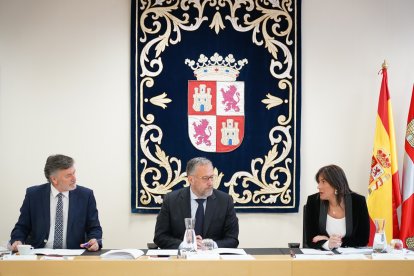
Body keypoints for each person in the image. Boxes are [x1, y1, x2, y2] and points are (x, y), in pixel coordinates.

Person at [9, 154, 103, 252]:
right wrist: (17, 240)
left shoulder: (86, 195)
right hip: (39, 254)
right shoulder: (33, 195)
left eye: (74, 173)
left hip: (74, 255)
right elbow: (22, 227)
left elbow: (94, 228)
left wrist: (94, 240)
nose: (74, 178)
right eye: (68, 175)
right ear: (54, 179)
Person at [154, 157, 239, 249]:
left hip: (214, 260)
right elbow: (160, 237)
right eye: (205, 178)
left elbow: (233, 239)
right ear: (191, 180)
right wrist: (184, 245)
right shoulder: (171, 200)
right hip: (182, 260)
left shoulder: (225, 201)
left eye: (211, 177)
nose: (210, 183)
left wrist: (212, 245)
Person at [305, 164, 369, 250]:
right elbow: (310, 239)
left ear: (336, 184)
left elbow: (363, 239)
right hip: (322, 258)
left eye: (323, 182)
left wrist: (333, 242)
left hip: (351, 259)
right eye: (319, 182)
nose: (318, 186)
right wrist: (328, 244)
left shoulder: (358, 202)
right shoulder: (313, 202)